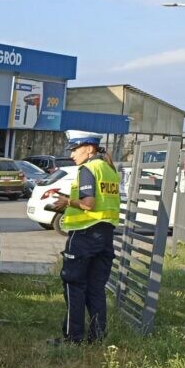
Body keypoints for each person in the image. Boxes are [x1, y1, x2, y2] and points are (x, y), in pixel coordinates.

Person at [49, 130, 121, 345]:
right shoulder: (109, 170)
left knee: (73, 284)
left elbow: (88, 204)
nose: (72, 155)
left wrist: (66, 203)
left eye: (75, 149)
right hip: (105, 236)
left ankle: (73, 339)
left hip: (84, 236)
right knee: (96, 287)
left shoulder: (88, 169)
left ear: (89, 149)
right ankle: (97, 337)